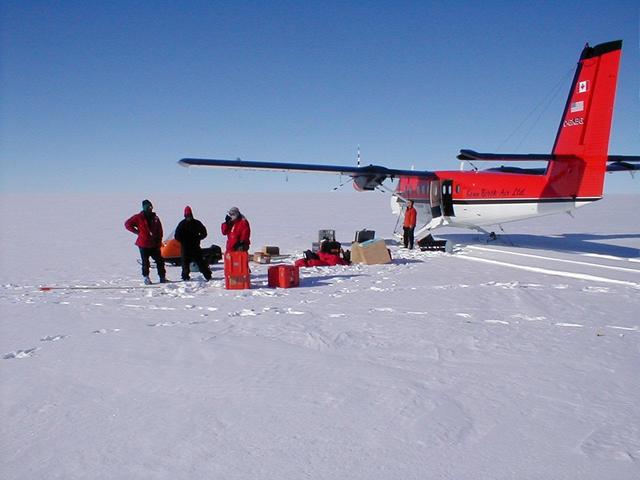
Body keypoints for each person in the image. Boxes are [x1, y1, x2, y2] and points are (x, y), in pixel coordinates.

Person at [125, 199, 167, 284]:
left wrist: (159, 240)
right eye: (148, 207)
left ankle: (162, 277)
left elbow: (160, 230)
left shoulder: (155, 217)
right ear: (144, 208)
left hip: (154, 244)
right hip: (143, 244)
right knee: (145, 262)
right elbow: (127, 224)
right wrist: (137, 232)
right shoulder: (138, 217)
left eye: (151, 207)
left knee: (160, 261)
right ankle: (146, 278)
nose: (150, 209)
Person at [174, 206, 212, 281]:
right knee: (185, 264)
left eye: (189, 215)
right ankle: (185, 277)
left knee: (200, 262)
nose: (189, 217)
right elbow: (177, 236)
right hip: (186, 247)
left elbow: (204, 233)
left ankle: (208, 276)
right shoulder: (182, 224)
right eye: (187, 215)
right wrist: (183, 241)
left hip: (195, 247)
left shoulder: (196, 223)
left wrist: (198, 238)